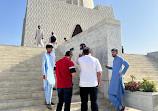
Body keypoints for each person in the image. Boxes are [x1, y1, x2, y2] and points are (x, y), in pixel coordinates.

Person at [42, 44, 56, 110]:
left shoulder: (50, 56)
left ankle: (48, 101)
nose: (51, 49)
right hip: (47, 75)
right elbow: (43, 65)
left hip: (51, 74)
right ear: (47, 48)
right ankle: (48, 103)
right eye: (50, 48)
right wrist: (44, 73)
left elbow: (52, 66)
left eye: (52, 48)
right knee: (47, 88)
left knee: (50, 88)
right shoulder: (45, 55)